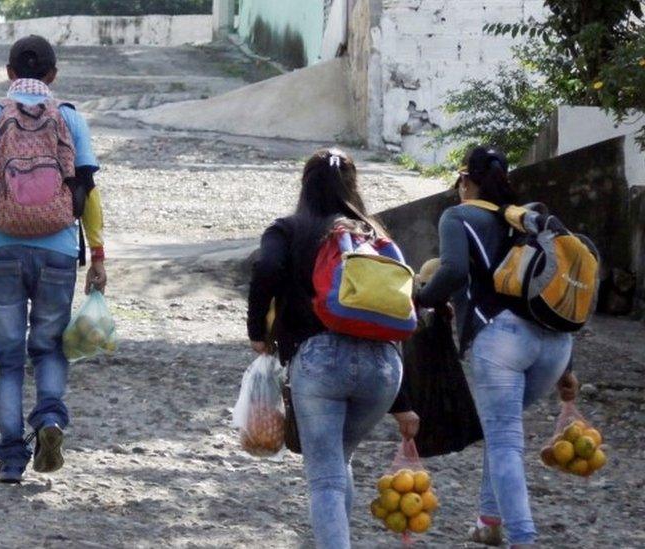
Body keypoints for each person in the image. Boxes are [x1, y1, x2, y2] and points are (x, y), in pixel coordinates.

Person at [247, 149, 419, 548]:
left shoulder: (288, 229)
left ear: (305, 185)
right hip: (384, 370)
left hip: (320, 361)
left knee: (324, 477)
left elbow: (266, 268)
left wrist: (257, 330)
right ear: (353, 185)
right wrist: (403, 402)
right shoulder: (375, 235)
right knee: (339, 461)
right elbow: (398, 308)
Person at [0, 35, 107, 484]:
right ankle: (49, 419)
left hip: (2, 247)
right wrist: (97, 255)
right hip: (59, 250)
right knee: (49, 347)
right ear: (53, 75)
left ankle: (10, 458)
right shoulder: (69, 117)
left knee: (5, 359)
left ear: (8, 73)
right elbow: (89, 191)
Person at [415, 146, 580, 548]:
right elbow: (557, 289)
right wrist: (569, 370)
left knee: (504, 437)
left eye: (460, 183)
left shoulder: (459, 215)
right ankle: (488, 522)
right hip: (555, 345)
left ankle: (523, 538)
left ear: (466, 182)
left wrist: (419, 298)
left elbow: (452, 270)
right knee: (499, 429)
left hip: (501, 342)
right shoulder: (528, 221)